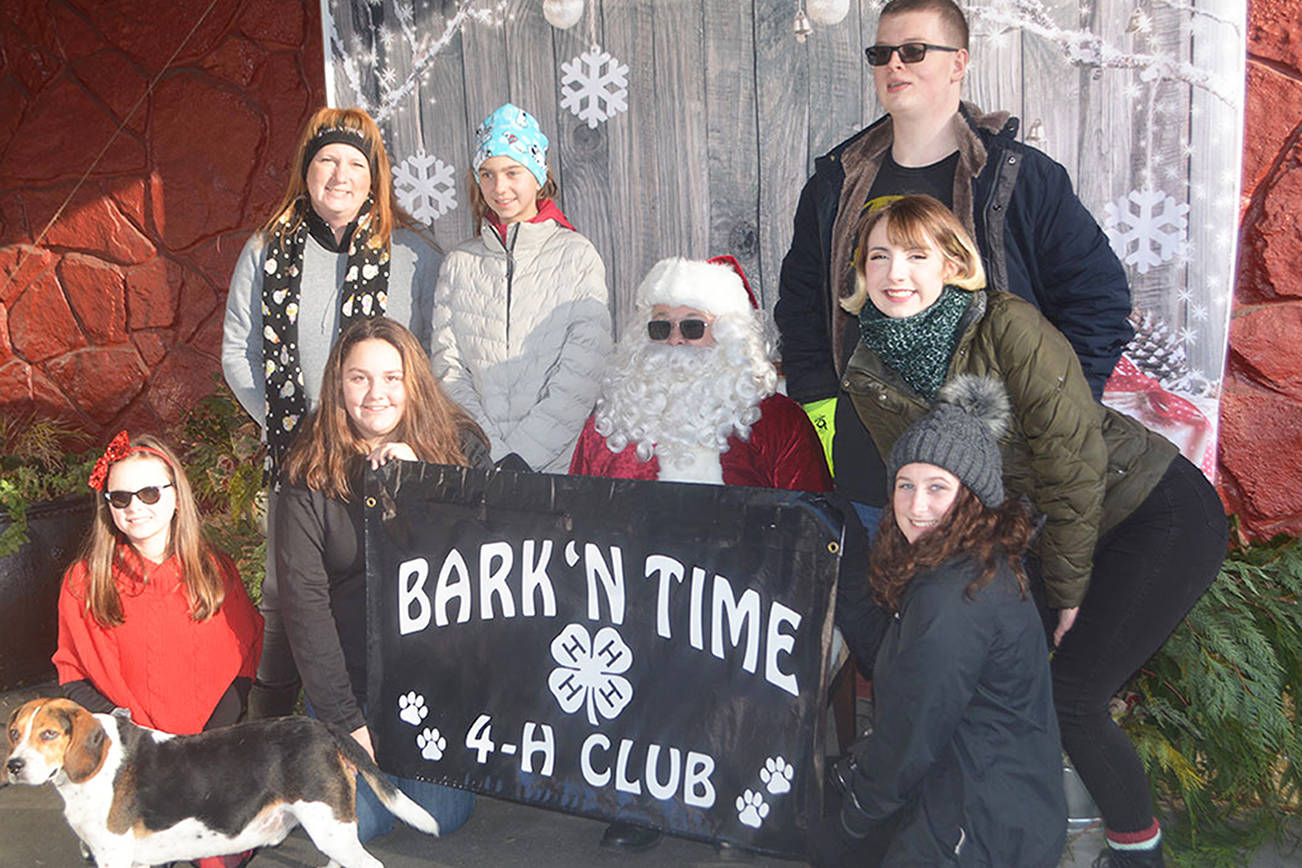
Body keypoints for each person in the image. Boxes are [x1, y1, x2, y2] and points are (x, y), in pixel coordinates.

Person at [838, 195, 1227, 867]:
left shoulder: (1007, 326)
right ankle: (997, 838)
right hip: (1041, 529)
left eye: (916, 254)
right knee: (981, 670)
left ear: (956, 264)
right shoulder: (870, 372)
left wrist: (1067, 590)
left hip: (1149, 510)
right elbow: (923, 488)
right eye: (879, 256)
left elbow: (1073, 464)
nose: (894, 272)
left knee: (1073, 696)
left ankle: (1138, 854)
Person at [774, 0, 1132, 531]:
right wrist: (818, 405)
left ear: (959, 63)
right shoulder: (835, 183)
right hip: (867, 473)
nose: (894, 65)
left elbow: (1100, 303)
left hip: (988, 480)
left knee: (974, 613)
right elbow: (802, 304)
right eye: (881, 53)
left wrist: (1051, 416)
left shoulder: (1019, 180)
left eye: (914, 51)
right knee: (875, 613)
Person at [571, 255, 831, 851]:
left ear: (730, 334)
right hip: (637, 589)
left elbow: (813, 524)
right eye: (660, 327)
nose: (675, 343)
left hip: (746, 593)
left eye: (694, 327)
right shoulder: (614, 418)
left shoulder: (778, 422)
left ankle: (744, 794)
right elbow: (580, 512)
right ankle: (638, 795)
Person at [222, 106, 441, 719]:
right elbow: (239, 349)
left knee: (388, 578)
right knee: (288, 587)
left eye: (354, 163)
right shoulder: (266, 252)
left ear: (375, 177)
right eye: (326, 161)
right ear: (306, 170)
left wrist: (402, 431)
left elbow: (432, 356)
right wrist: (286, 426)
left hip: (388, 450)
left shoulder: (415, 255)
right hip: (301, 452)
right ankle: (269, 720)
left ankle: (393, 710)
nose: (339, 175)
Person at [815, 376, 1065, 867]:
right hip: (996, 801)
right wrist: (847, 572)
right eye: (905, 486)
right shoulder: (972, 561)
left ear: (972, 497)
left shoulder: (956, 595)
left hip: (976, 828)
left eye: (937, 488)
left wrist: (853, 817)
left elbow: (909, 734)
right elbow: (896, 660)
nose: (916, 506)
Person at [275, 317, 487, 843]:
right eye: (359, 378)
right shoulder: (308, 469)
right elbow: (305, 605)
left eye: (392, 377)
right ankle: (310, 749)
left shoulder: (460, 445)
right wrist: (346, 719)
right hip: (350, 678)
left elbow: (488, 561)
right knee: (364, 824)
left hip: (433, 677)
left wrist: (424, 485)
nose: (377, 394)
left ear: (413, 381)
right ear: (338, 384)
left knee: (442, 816)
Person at [53, 431, 263, 868]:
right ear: (107, 507)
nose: (135, 508)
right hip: (128, 758)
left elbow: (244, 658)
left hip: (205, 751)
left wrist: (198, 748)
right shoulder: (84, 582)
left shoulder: (212, 570)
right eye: (121, 497)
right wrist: (135, 739)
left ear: (176, 495)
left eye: (149, 492)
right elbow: (72, 675)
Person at [432, 102, 611, 473]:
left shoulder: (577, 257)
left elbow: (582, 372)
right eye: (487, 174)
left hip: (556, 469)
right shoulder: (459, 264)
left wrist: (524, 456)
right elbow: (448, 368)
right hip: (478, 467)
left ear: (538, 172)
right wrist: (490, 452)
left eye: (512, 172)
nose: (500, 188)